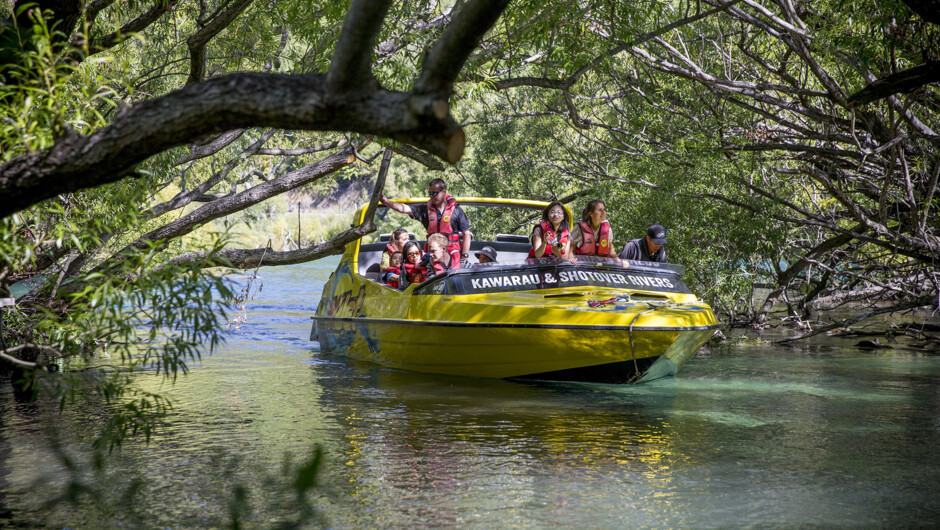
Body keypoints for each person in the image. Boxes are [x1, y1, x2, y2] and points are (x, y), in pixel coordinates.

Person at [379, 178, 472, 265]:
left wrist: (465, 256)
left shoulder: (456, 210)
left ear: (444, 192)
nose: (432, 196)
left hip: (452, 256)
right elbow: (404, 208)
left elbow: (466, 234)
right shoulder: (425, 210)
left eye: (434, 193)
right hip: (432, 257)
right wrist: (386, 202)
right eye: (430, 193)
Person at [570, 199, 625, 266]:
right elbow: (571, 248)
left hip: (601, 267)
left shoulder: (608, 229)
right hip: (582, 266)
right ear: (591, 213)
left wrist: (619, 261)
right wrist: (571, 258)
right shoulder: (579, 228)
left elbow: (610, 250)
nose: (603, 212)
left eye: (604, 210)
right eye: (600, 210)